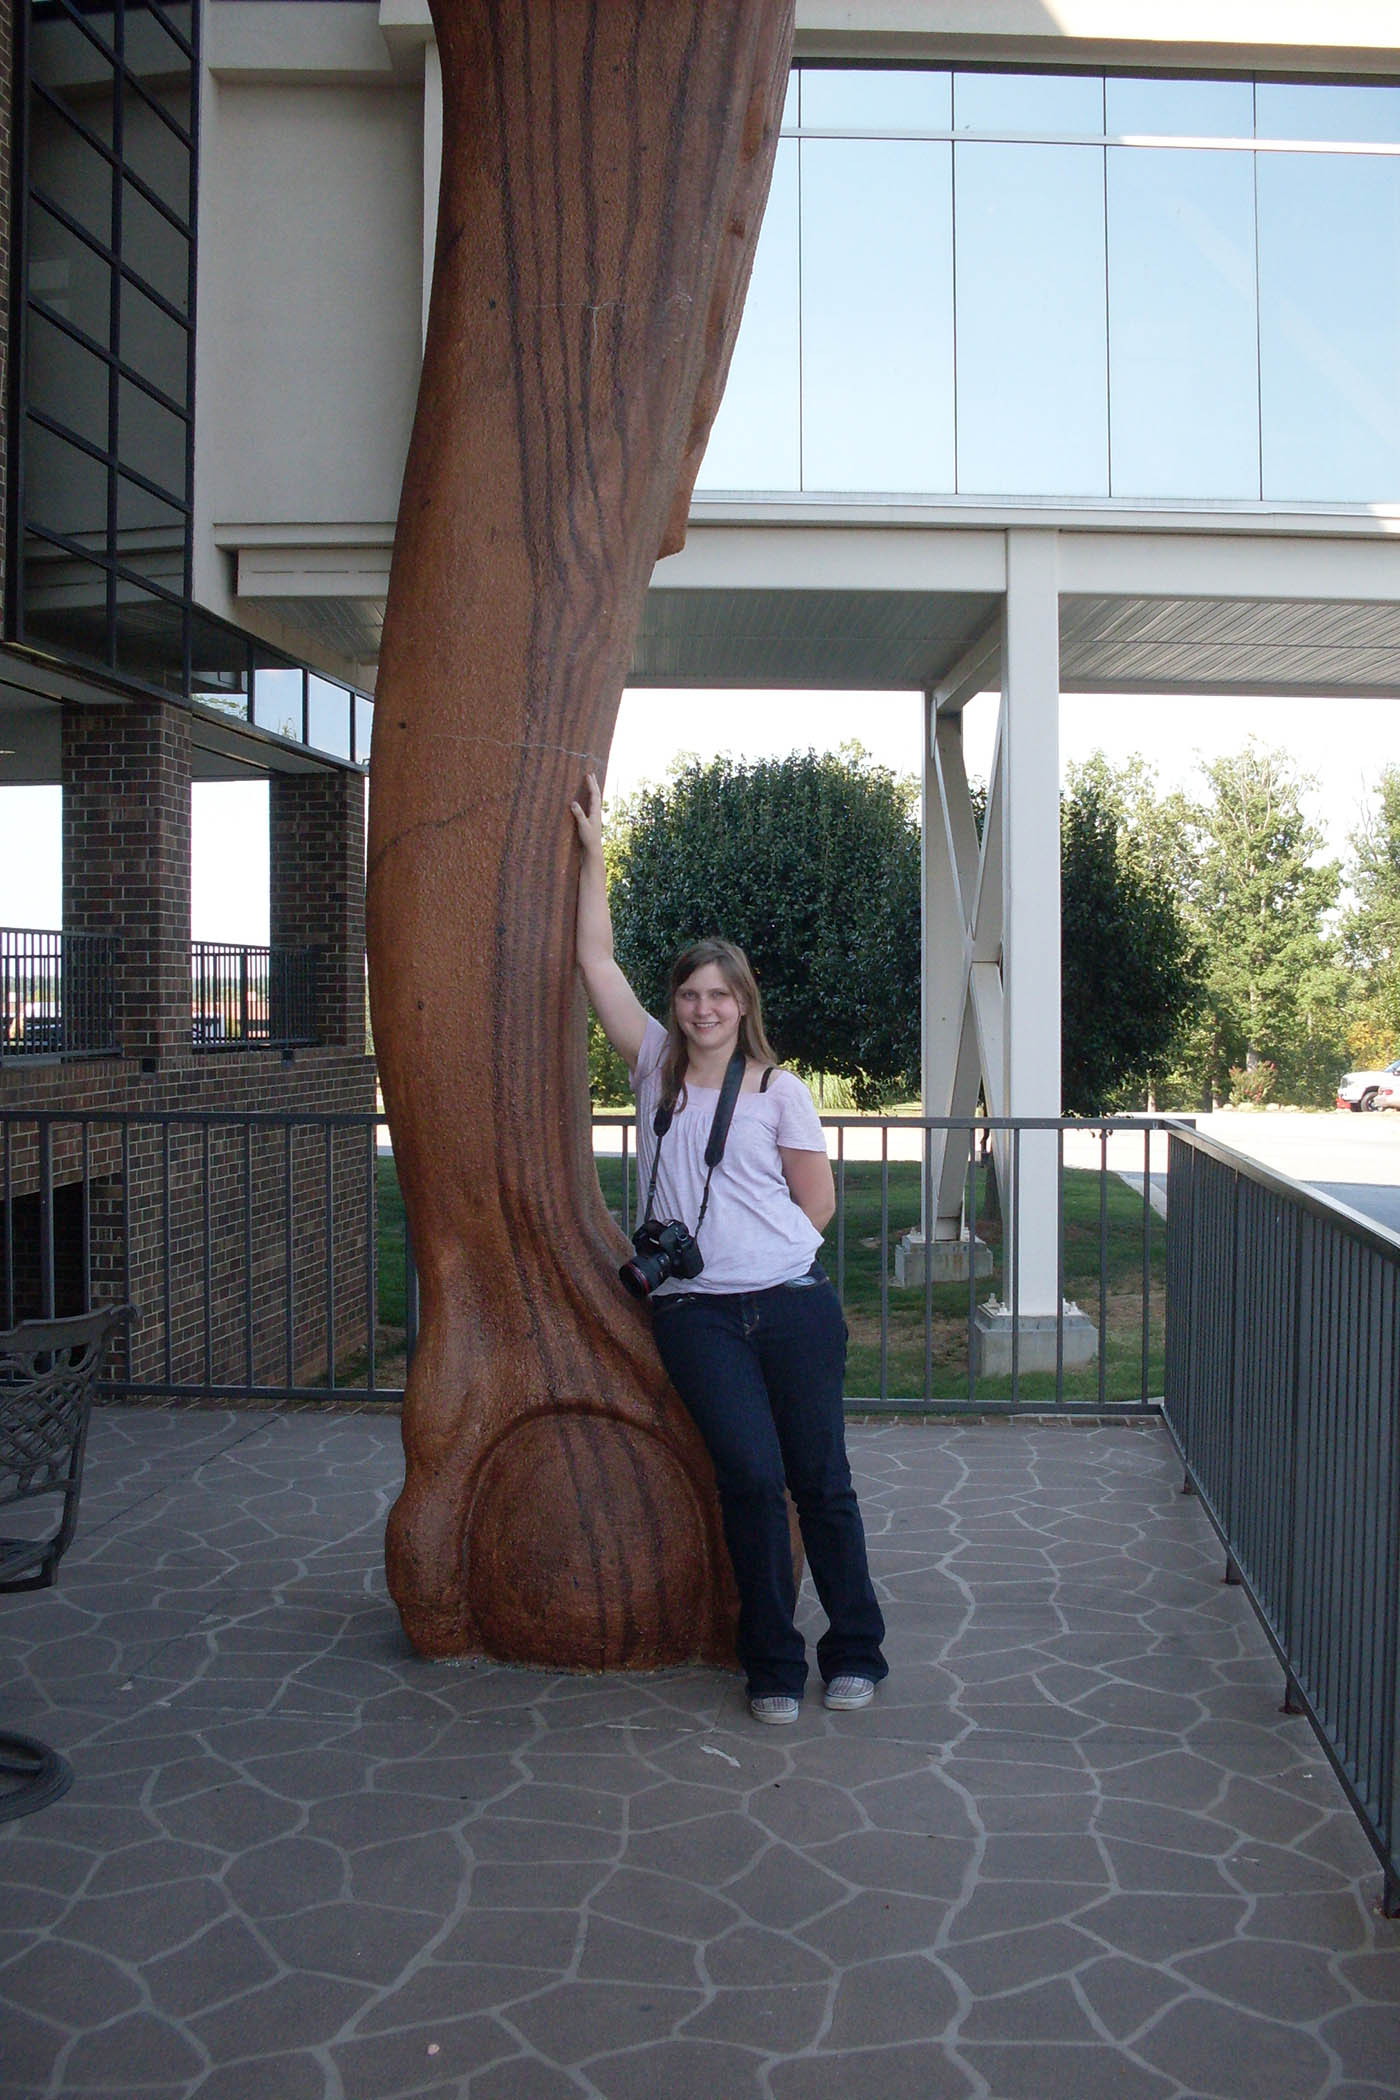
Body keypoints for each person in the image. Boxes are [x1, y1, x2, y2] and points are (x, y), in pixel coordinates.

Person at [570, 774, 887, 1723]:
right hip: (696, 1317)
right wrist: (594, 854)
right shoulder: (653, 1066)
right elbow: (595, 963)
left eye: (721, 994)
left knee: (819, 1481)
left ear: (744, 1005)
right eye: (691, 993)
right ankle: (771, 1662)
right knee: (749, 1478)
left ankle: (857, 1652)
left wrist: (762, 1254)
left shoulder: (779, 1090)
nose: (704, 1007)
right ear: (676, 1004)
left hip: (791, 1306)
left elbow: (817, 1204)